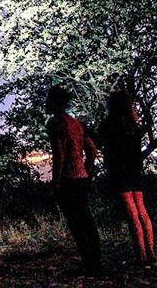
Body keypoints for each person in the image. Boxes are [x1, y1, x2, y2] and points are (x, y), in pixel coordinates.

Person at [45, 85, 102, 274]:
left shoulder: (56, 124)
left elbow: (60, 154)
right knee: (86, 220)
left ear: (53, 102)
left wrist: (56, 181)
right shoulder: (77, 123)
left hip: (68, 179)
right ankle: (95, 262)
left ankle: (87, 263)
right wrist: (87, 170)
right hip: (81, 177)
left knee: (76, 223)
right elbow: (92, 149)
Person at [98, 90, 155, 267]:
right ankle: (151, 254)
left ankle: (141, 257)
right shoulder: (133, 126)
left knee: (132, 214)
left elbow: (99, 142)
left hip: (120, 172)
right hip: (134, 171)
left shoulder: (109, 125)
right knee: (142, 211)